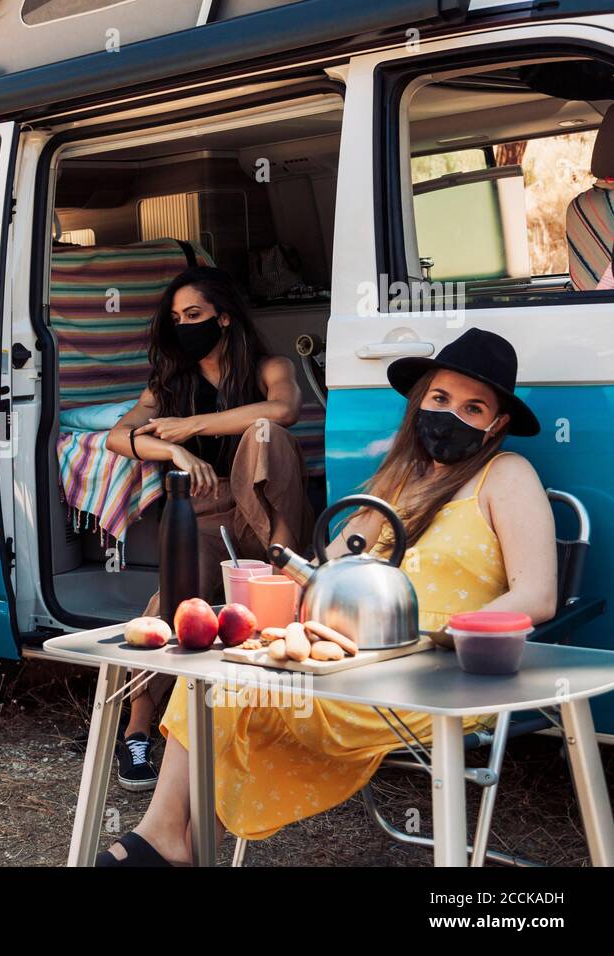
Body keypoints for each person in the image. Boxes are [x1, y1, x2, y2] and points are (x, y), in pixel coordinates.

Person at [97, 327, 557, 865]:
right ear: (419, 401)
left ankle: (166, 844)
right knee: (220, 678)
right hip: (347, 663)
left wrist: (442, 638)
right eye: (440, 398)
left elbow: (538, 595)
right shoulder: (396, 481)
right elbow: (324, 567)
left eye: (473, 408)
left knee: (238, 694)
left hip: (441, 677)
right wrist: (259, 596)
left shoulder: (506, 475)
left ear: (496, 424)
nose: (451, 414)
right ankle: (172, 839)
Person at [104, 266, 314, 791]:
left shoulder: (272, 367)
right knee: (172, 607)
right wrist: (172, 448)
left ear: (224, 317)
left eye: (194, 315)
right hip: (205, 509)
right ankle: (135, 730)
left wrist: (192, 426)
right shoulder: (170, 382)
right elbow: (118, 436)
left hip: (267, 507)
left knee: (265, 433)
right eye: (176, 319)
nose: (184, 326)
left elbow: (284, 409)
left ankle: (278, 568)